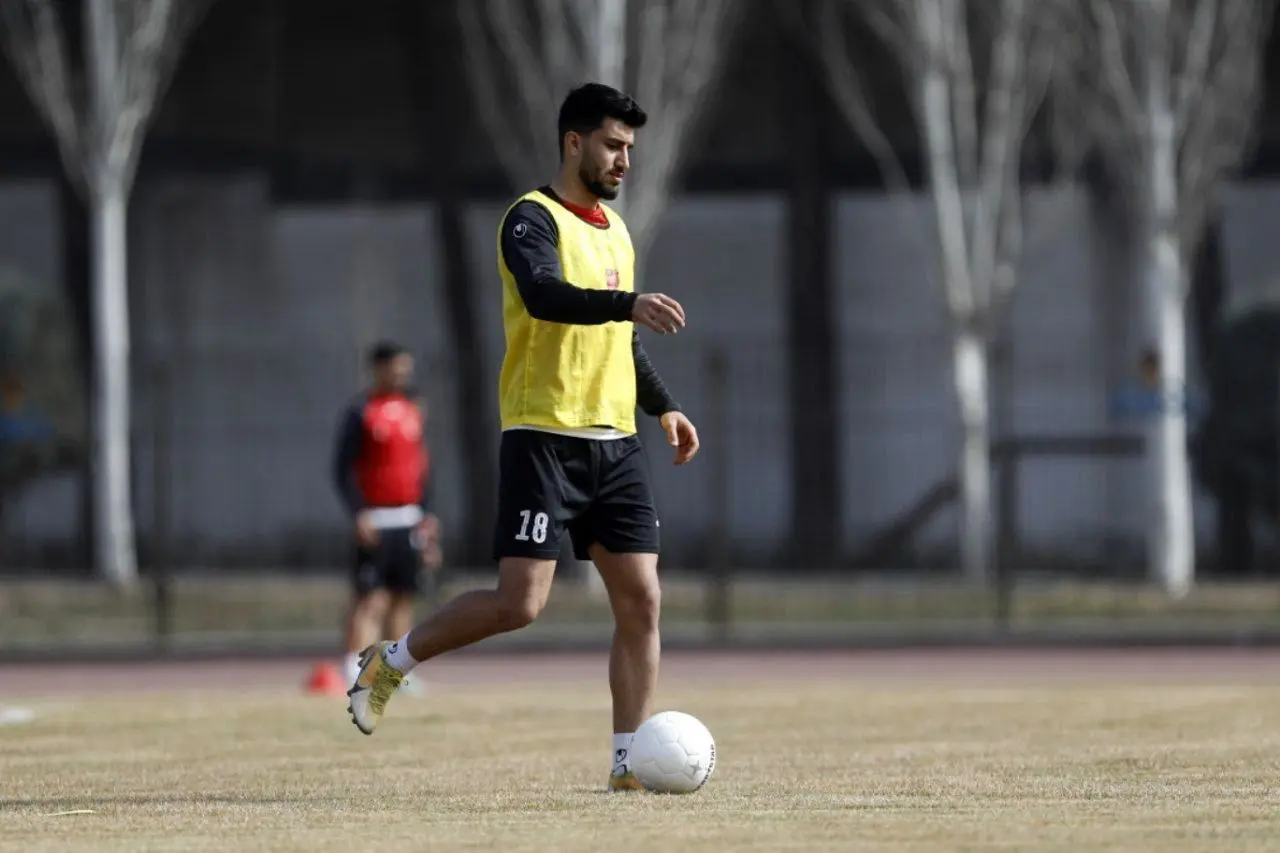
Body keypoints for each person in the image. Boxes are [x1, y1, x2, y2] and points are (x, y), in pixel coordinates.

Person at [346, 82, 700, 793]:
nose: (624, 160)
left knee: (642, 599)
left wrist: (662, 406)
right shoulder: (529, 219)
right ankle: (388, 662)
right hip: (544, 438)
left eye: (629, 148)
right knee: (520, 605)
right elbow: (546, 295)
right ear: (574, 142)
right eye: (612, 145)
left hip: (616, 442)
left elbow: (620, 339)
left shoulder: (617, 230)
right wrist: (628, 303)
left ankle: (627, 762)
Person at [332, 341, 442, 690]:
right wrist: (358, 513)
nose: (402, 374)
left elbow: (421, 466)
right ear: (378, 369)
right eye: (396, 367)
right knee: (370, 597)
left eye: (405, 368)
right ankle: (355, 667)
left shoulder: (413, 409)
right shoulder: (361, 412)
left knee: (402, 596)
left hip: (408, 517)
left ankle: (396, 671)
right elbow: (343, 469)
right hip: (375, 518)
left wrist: (427, 514)